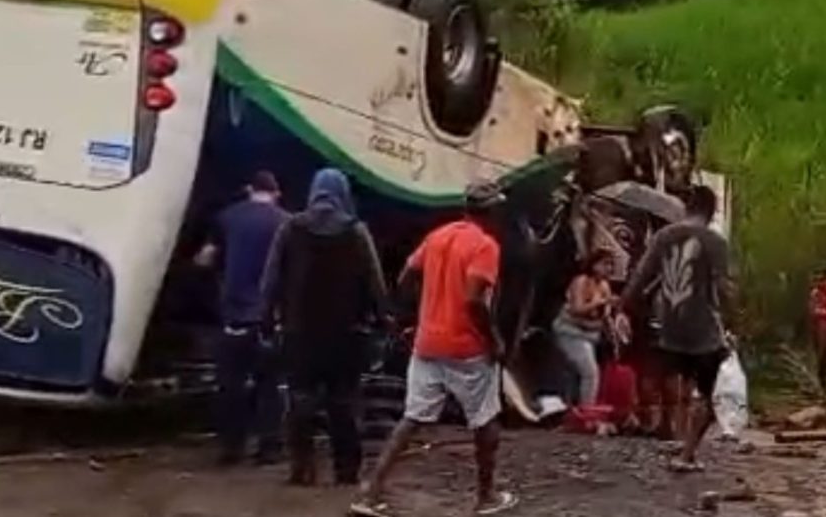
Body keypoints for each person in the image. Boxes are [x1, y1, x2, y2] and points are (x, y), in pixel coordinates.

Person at [351, 181, 518, 517]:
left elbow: (405, 277)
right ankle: (486, 496)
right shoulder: (486, 246)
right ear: (491, 210)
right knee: (484, 419)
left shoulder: (438, 236)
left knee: (412, 418)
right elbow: (474, 299)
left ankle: (370, 493)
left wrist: (412, 315)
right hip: (468, 347)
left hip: (427, 342)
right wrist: (495, 338)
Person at [262, 168, 392, 486]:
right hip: (346, 334)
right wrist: (382, 318)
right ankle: (346, 471)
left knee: (300, 400)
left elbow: (271, 279)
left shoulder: (290, 228)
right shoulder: (356, 231)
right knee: (344, 403)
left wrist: (266, 319)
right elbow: (375, 283)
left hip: (298, 331)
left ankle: (302, 468)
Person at [621, 185, 731, 472]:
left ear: (687, 208)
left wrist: (623, 308)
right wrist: (733, 321)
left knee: (661, 377)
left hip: (668, 323)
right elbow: (723, 287)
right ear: (711, 211)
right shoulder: (715, 243)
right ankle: (686, 453)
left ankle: (660, 428)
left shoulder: (663, 237)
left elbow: (640, 278)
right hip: (702, 328)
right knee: (711, 394)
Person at [194, 170, 289, 466]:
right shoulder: (287, 222)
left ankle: (231, 449)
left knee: (230, 384)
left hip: (233, 315)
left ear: (249, 189)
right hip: (268, 318)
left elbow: (205, 258)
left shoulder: (226, 217)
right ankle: (269, 447)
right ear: (276, 193)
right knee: (269, 384)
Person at [554, 249, 617, 406]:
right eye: (605, 264)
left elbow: (606, 316)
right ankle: (587, 411)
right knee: (590, 372)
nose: (609, 268)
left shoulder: (604, 286)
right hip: (571, 332)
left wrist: (613, 334)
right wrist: (597, 303)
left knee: (581, 373)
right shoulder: (581, 281)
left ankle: (578, 409)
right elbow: (576, 308)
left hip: (591, 334)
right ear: (594, 264)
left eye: (611, 265)